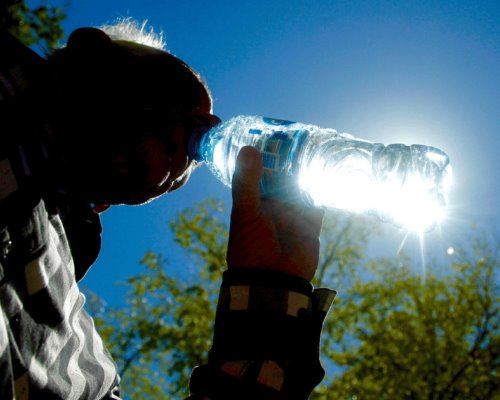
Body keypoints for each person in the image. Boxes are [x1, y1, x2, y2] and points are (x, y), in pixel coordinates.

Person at [0, 18, 335, 399]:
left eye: (189, 169)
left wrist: (268, 295)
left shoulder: (79, 358)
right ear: (88, 52)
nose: (210, 124)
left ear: (103, 203)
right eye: (185, 94)